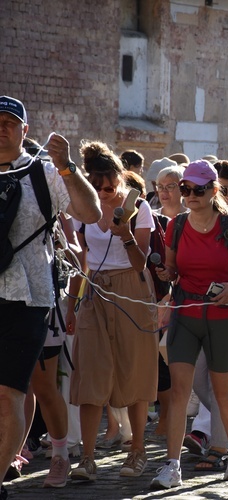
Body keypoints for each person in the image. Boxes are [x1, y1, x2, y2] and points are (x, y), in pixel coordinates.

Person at [0, 96, 100, 493]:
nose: (2, 127)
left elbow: (90, 213)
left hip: (30, 298)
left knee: (11, 393)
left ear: (25, 130)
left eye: (11, 122)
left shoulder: (43, 172)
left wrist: (68, 167)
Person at [150, 160, 228, 489]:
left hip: (224, 317)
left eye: (198, 189)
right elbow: (172, 270)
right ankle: (172, 466)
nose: (190, 195)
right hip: (186, 314)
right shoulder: (176, 226)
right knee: (180, 392)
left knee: (223, 391)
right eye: (185, 189)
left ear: (213, 191)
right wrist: (165, 277)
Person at [66, 141, 158, 482]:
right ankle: (87, 458)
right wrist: (71, 304)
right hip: (95, 291)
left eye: (110, 187)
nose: (104, 194)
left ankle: (138, 451)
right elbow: (81, 262)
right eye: (98, 187)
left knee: (134, 370)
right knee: (90, 372)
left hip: (132, 288)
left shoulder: (140, 208)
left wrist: (126, 235)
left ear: (120, 180)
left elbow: (140, 263)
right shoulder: (83, 209)